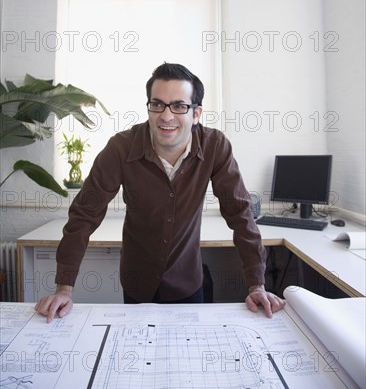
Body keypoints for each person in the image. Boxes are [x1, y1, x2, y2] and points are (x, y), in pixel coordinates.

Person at [35, 63, 285, 322]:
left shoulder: (215, 146)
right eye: (158, 104)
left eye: (179, 106)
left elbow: (240, 214)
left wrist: (257, 286)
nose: (166, 116)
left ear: (196, 113)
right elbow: (84, 216)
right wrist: (64, 289)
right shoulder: (121, 148)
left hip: (187, 282)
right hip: (136, 284)